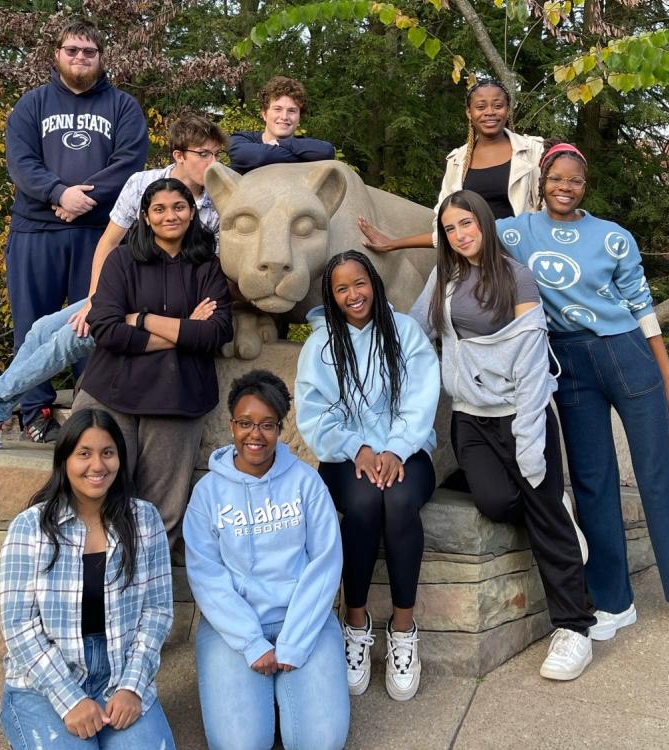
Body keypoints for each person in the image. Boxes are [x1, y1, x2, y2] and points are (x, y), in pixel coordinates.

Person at [497, 141, 669, 643]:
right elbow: (460, 232)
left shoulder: (613, 237)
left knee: (659, 473)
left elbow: (643, 308)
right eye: (557, 178)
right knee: (592, 482)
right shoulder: (517, 232)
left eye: (576, 180)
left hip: (625, 354)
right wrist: (390, 244)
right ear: (543, 180)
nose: (565, 187)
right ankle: (612, 600)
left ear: (585, 186)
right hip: (569, 364)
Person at [0, 115, 227, 449]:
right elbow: (109, 243)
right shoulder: (143, 184)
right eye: (203, 153)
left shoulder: (217, 202)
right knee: (41, 328)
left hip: (169, 300)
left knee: (72, 335)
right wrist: (97, 299)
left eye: (216, 154)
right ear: (178, 155)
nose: (212, 162)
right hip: (126, 290)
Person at [409, 190, 596, 680]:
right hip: (470, 417)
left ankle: (575, 627)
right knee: (497, 503)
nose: (459, 235)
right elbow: (411, 329)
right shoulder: (443, 279)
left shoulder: (518, 277)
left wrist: (531, 439)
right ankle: (555, 502)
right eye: (450, 229)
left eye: (466, 224)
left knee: (545, 514)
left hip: (520, 413)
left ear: (485, 223)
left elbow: (533, 368)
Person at [295, 250, 441, 700]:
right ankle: (355, 623)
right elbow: (313, 412)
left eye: (359, 283)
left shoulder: (406, 333)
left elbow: (420, 397)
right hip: (344, 457)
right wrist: (355, 447)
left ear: (374, 283)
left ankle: (402, 629)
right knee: (360, 504)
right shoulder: (319, 345)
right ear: (331, 295)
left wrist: (395, 450)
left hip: (409, 450)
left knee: (397, 502)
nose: (352, 294)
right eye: (341, 288)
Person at [183, 370, 348, 750]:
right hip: (233, 629)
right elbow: (207, 576)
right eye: (245, 423)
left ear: (280, 428)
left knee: (321, 743)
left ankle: (284, 699)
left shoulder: (307, 483)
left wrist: (294, 642)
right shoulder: (207, 493)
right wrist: (251, 642)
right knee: (239, 745)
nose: (255, 435)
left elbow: (325, 565)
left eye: (267, 425)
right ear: (231, 425)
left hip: (304, 619)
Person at [4, 18, 148, 440]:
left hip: (101, 234)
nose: (80, 58)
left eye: (88, 51)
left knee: (96, 321)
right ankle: (35, 412)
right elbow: (20, 161)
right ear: (57, 55)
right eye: (72, 50)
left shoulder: (123, 106)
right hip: (35, 232)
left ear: (101, 57)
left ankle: (92, 409)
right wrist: (57, 193)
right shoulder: (32, 105)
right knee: (33, 325)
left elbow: (130, 162)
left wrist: (82, 198)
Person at [0, 408, 175, 749]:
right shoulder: (30, 528)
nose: (98, 466)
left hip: (119, 671)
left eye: (107, 453)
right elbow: (19, 626)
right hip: (45, 681)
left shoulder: (144, 520)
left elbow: (157, 611)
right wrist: (70, 700)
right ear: (64, 460)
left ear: (120, 459)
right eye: (84, 454)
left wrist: (132, 687)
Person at [72, 178, 233, 539]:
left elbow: (216, 333)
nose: (169, 216)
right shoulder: (122, 260)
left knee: (160, 514)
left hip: (177, 398)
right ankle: (93, 582)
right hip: (111, 392)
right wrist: (185, 330)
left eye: (179, 207)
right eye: (159, 209)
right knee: (93, 497)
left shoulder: (208, 267)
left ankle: (144, 588)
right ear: (145, 216)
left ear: (192, 213)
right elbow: (107, 329)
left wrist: (143, 320)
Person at [358, 78, 543, 251]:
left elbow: (550, 211)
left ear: (508, 109)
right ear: (469, 113)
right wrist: (393, 244)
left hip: (520, 255)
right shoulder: (457, 161)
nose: (490, 112)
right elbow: (447, 221)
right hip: (471, 260)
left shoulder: (533, 151)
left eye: (498, 106)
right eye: (480, 106)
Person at [227, 76, 336, 174]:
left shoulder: (300, 144)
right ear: (264, 114)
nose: (284, 116)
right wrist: (305, 159)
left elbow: (328, 151)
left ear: (299, 118)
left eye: (292, 111)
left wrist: (281, 144)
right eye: (277, 109)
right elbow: (261, 157)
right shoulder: (239, 140)